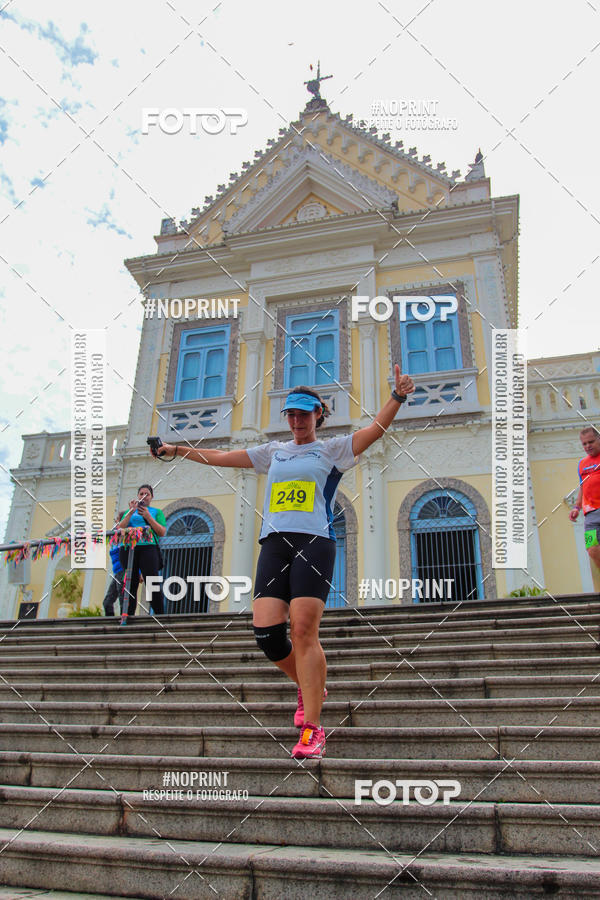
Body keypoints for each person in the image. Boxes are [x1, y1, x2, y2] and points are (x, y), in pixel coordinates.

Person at [153, 365, 414, 758]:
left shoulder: (332, 449)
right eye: (291, 414)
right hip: (274, 545)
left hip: (315, 542)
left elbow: (375, 430)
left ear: (317, 416)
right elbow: (222, 456)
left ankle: (313, 729)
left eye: (304, 414)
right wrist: (176, 450)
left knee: (305, 631)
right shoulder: (272, 452)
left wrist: (397, 396)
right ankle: (310, 684)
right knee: (268, 636)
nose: (296, 421)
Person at [117, 484, 166, 625]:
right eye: (141, 493)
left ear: (151, 497)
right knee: (130, 582)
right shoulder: (128, 512)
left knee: (152, 580)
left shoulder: (156, 512)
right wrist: (131, 512)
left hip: (148, 548)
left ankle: (160, 615)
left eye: (147, 494)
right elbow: (120, 528)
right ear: (138, 496)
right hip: (129, 549)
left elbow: (161, 532)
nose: (143, 496)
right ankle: (127, 615)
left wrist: (148, 516)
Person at [569, 426, 600, 589]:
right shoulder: (582, 464)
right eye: (584, 444)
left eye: (591, 442)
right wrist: (576, 507)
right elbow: (583, 487)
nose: (588, 446)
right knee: (591, 548)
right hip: (591, 514)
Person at [103, 513, 125, 618]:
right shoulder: (114, 538)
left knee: (122, 598)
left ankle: (123, 620)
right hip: (117, 572)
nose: (116, 523)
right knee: (107, 602)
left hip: (123, 571)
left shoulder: (127, 537)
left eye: (117, 521)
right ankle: (110, 622)